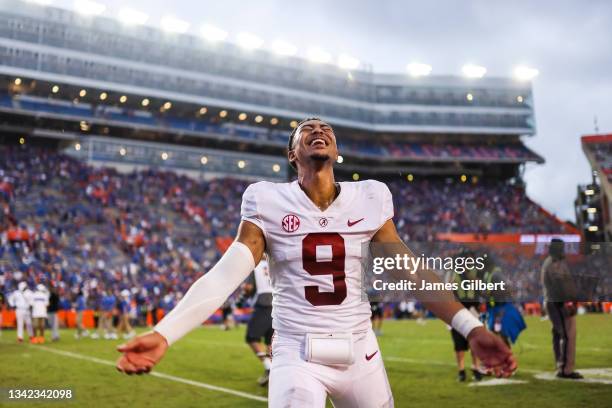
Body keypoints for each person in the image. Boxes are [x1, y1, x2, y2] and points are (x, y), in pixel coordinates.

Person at [117, 118, 516, 407]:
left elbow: (410, 270)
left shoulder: (371, 196)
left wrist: (471, 327)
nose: (319, 131)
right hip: (296, 351)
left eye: (326, 129)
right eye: (307, 130)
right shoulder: (266, 199)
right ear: (293, 154)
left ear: (337, 151)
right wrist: (166, 332)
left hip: (360, 351)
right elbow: (227, 273)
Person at [541, 238, 582, 379]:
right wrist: (570, 301)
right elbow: (561, 285)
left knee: (558, 334)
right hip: (558, 303)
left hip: (554, 302)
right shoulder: (555, 263)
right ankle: (566, 369)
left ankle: (561, 365)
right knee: (567, 334)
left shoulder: (552, 262)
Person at [243, 259, 274, 386]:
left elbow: (248, 288)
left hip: (263, 303)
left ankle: (269, 367)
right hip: (279, 303)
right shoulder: (274, 262)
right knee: (270, 341)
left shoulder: (255, 266)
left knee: (251, 338)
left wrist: (245, 294)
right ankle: (275, 370)